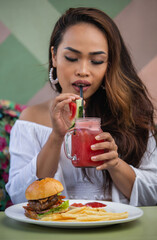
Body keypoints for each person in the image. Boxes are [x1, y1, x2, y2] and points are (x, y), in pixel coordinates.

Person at [6, 7, 157, 206]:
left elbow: (153, 194)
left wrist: (115, 164)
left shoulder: (131, 115)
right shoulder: (30, 120)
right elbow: (18, 197)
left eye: (96, 61)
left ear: (108, 65)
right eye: (71, 58)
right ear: (54, 56)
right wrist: (56, 137)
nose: (83, 71)